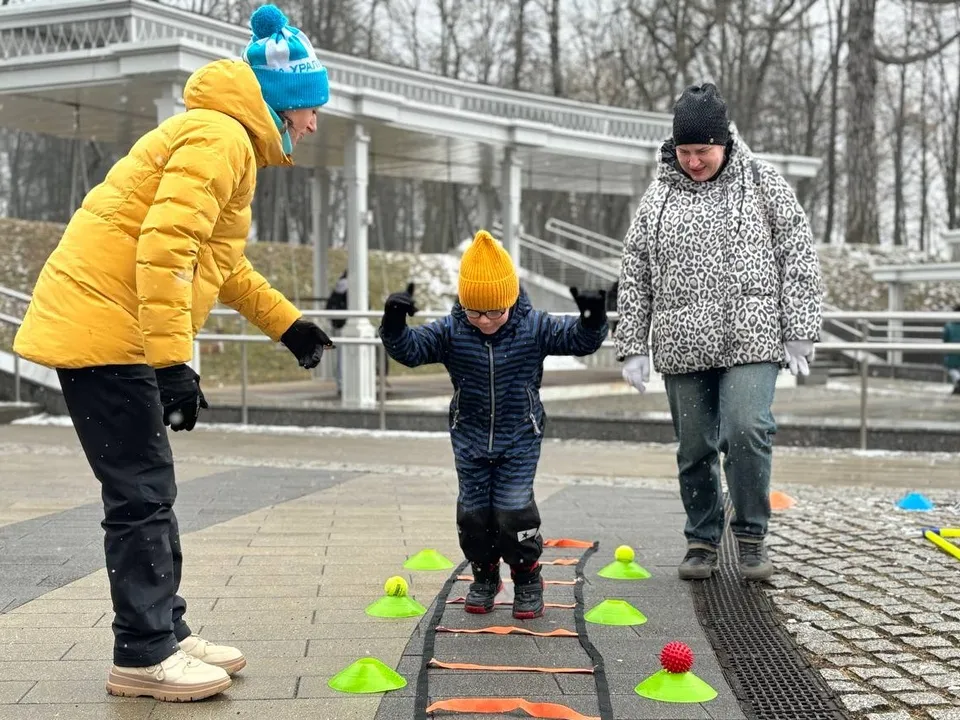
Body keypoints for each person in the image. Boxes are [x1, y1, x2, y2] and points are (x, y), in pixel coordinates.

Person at [13, 3, 333, 703]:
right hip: (104, 330)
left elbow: (219, 262)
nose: (314, 123)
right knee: (140, 492)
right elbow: (165, 246)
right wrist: (171, 360)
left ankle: (165, 631)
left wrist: (289, 326)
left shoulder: (225, 141)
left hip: (111, 326)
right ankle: (143, 653)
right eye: (311, 108)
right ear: (283, 104)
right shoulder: (220, 138)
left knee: (148, 488)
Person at [614, 83, 823, 583]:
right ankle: (702, 539)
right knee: (694, 446)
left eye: (702, 151)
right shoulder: (658, 196)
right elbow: (635, 270)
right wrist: (632, 347)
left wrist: (800, 328)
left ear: (725, 140)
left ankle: (750, 536)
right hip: (682, 343)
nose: (693, 161)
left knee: (747, 429)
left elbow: (798, 252)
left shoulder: (762, 182)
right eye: (684, 151)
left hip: (751, 336)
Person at [379, 230, 608, 618]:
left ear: (510, 300)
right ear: (463, 304)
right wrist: (394, 323)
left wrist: (592, 319)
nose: (484, 321)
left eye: (494, 312)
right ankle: (485, 576)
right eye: (475, 312)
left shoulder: (533, 326)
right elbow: (411, 351)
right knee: (473, 515)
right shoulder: (452, 330)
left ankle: (527, 577)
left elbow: (579, 341)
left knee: (513, 510)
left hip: (520, 436)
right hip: (469, 438)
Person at [944, 304, 960, 395]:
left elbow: (945, 339)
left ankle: (958, 380)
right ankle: (957, 386)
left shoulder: (949, 325)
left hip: (952, 352)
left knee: (951, 368)